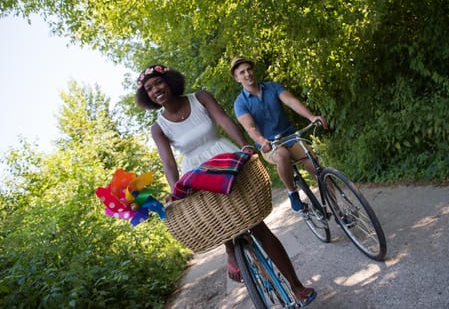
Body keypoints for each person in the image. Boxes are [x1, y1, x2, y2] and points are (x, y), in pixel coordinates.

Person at [135, 64, 317, 306]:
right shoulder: (158, 127)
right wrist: (174, 190)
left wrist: (244, 144)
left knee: (258, 226)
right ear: (147, 96)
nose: (155, 89)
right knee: (220, 219)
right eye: (149, 88)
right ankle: (231, 250)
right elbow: (168, 162)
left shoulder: (200, 98)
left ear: (169, 81)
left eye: (158, 82)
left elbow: (224, 120)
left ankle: (296, 286)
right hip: (196, 173)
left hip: (225, 158)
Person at [231, 57, 328, 213]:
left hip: (290, 137)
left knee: (318, 170)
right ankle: (292, 192)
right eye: (242, 72)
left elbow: (291, 101)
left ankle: (341, 212)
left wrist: (311, 117)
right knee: (282, 155)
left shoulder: (272, 87)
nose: (247, 74)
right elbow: (251, 128)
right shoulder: (240, 103)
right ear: (237, 78)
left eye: (249, 69)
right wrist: (262, 141)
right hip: (269, 145)